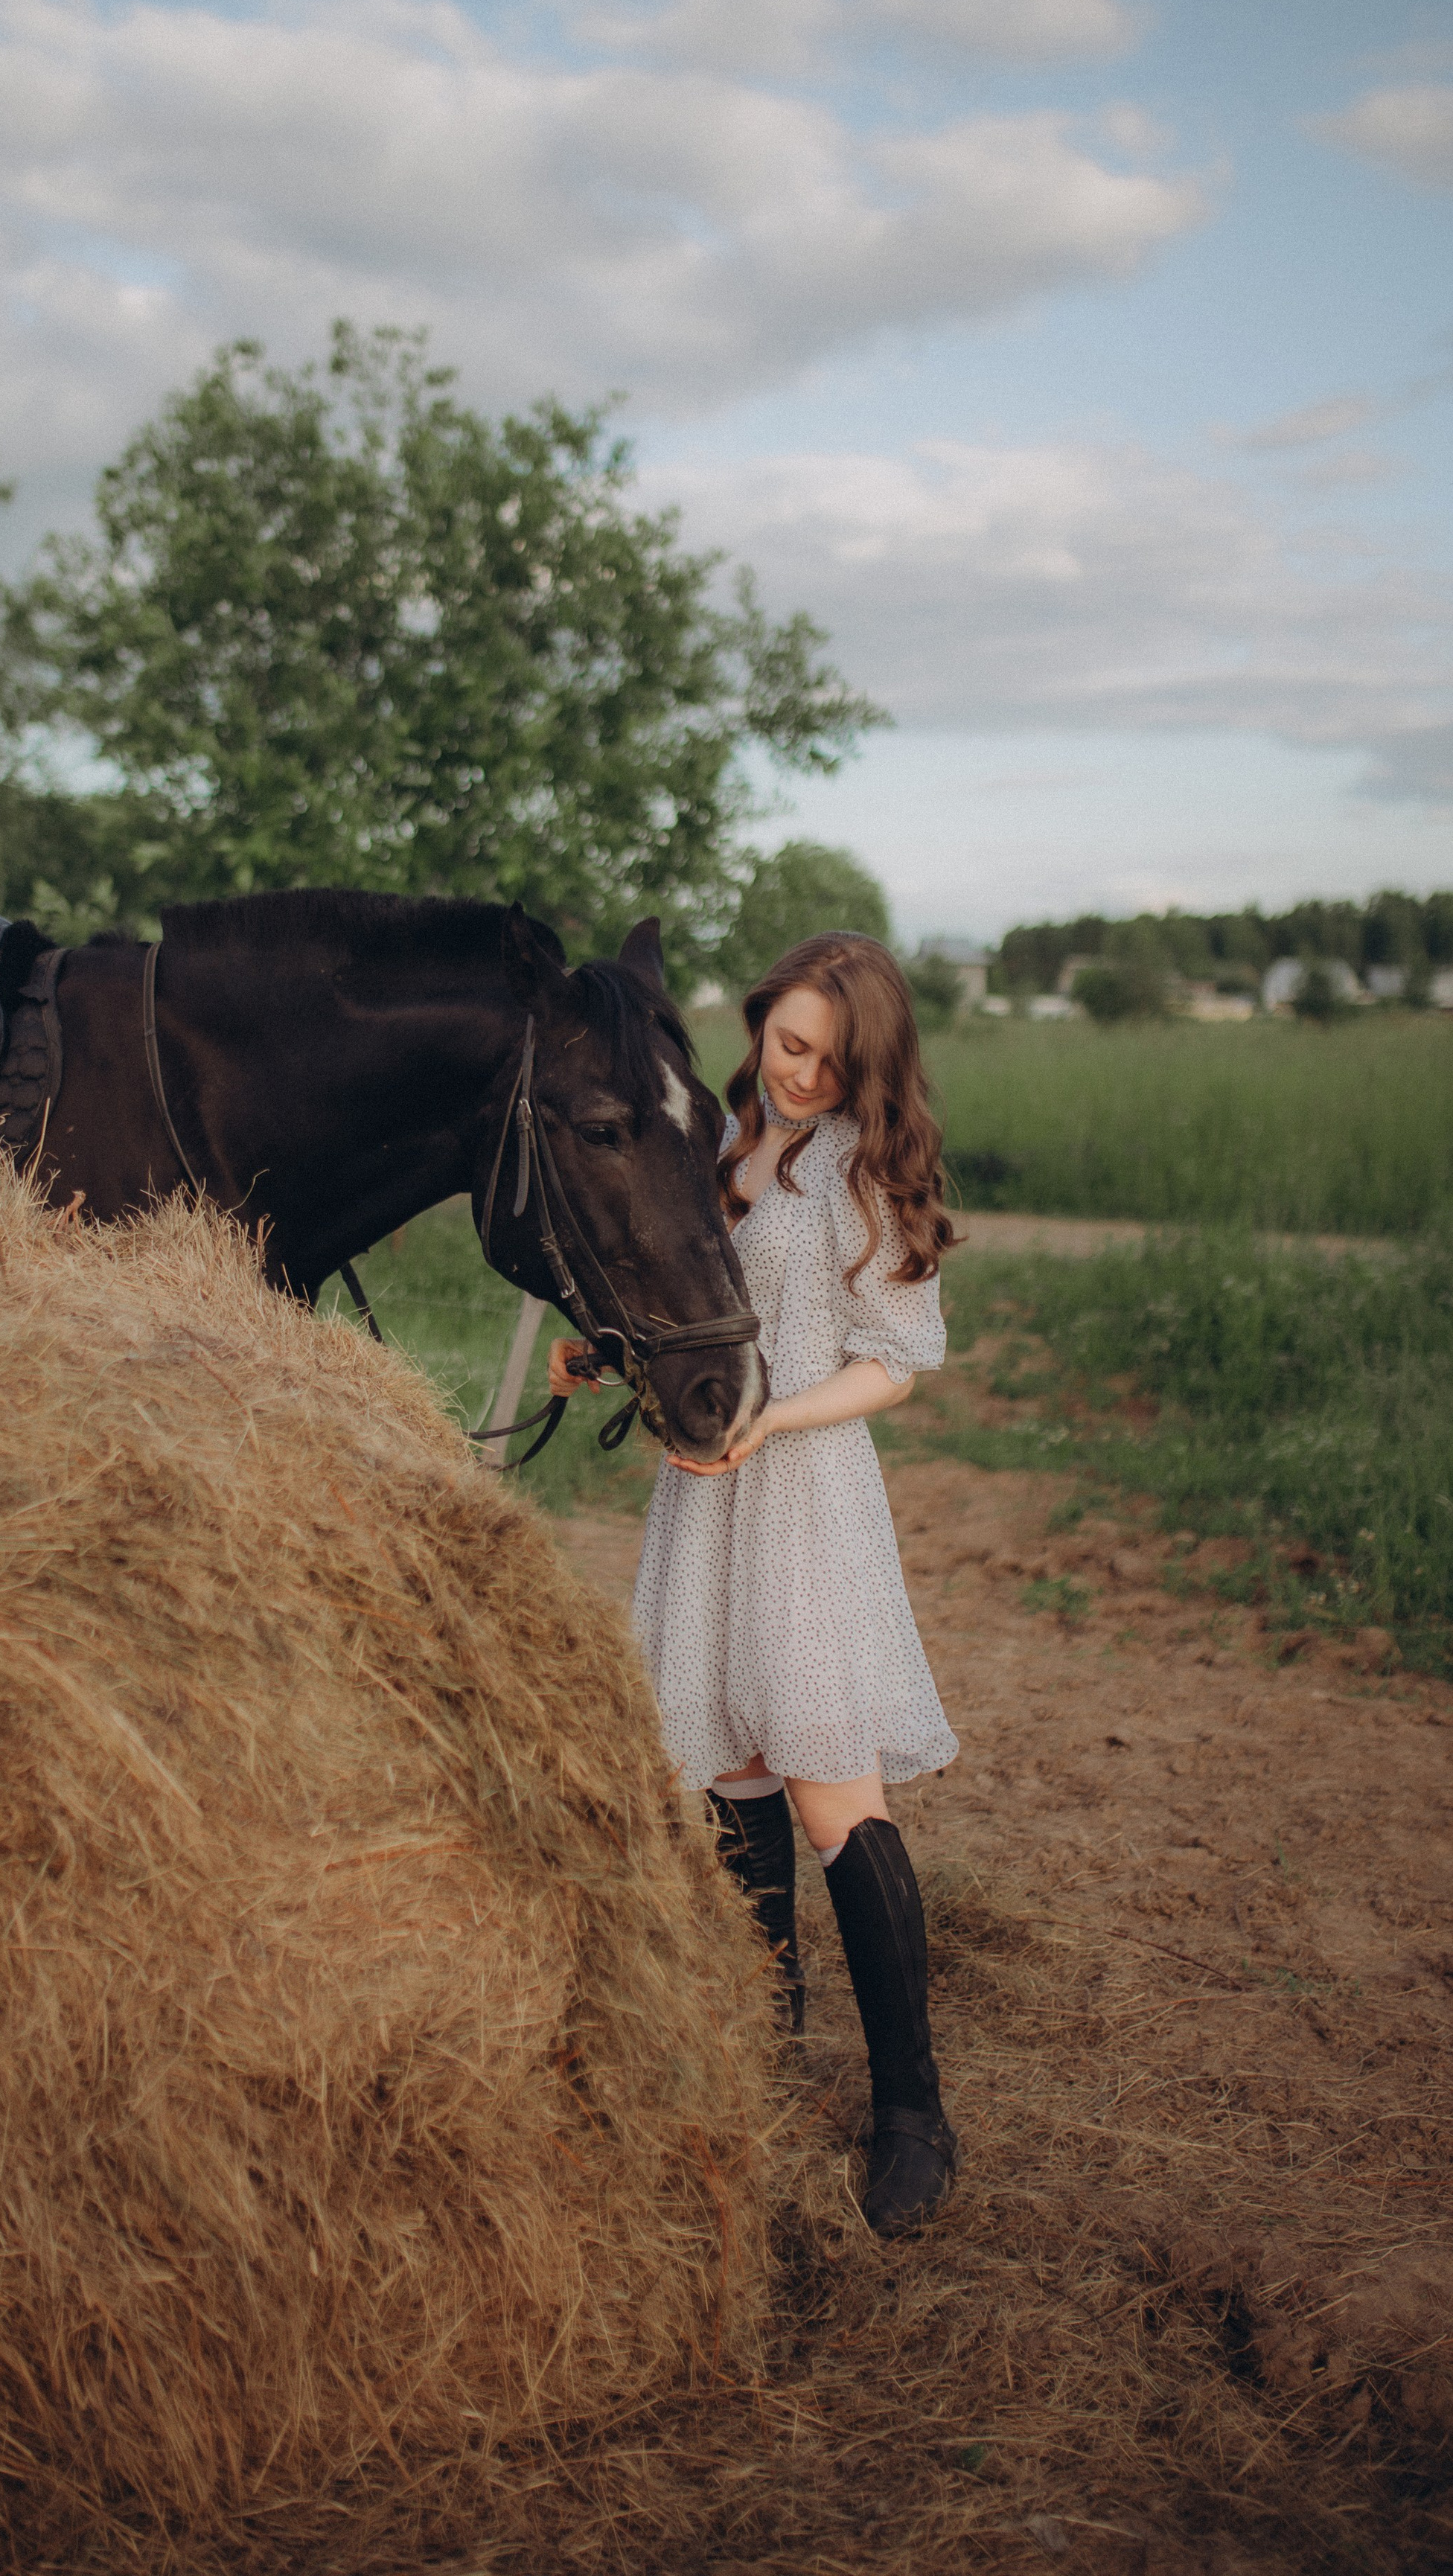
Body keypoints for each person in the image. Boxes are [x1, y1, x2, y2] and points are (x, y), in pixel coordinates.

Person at [549, 931, 962, 2236]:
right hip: (704, 1496)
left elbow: (896, 1363)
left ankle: (913, 2113)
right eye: (788, 1044)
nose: (800, 1076)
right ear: (760, 1020)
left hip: (802, 1497)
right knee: (728, 1770)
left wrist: (770, 1420)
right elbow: (687, 1298)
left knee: (832, 1787)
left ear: (867, 1071)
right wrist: (606, 1355)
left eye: (829, 1063)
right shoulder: (719, 1139)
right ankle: (767, 2051)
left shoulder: (860, 1167)